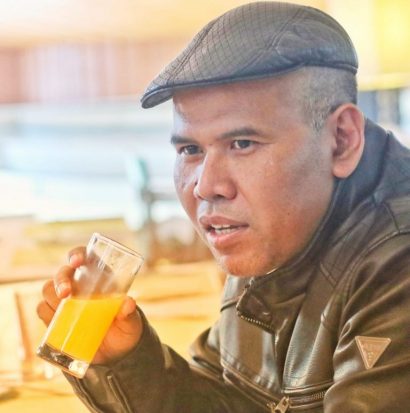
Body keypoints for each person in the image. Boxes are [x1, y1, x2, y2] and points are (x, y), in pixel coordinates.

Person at [37, 2, 410, 412]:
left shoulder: (398, 263)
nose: (207, 186)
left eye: (242, 144)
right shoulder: (268, 236)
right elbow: (230, 399)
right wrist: (125, 361)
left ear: (341, 140)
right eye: (190, 150)